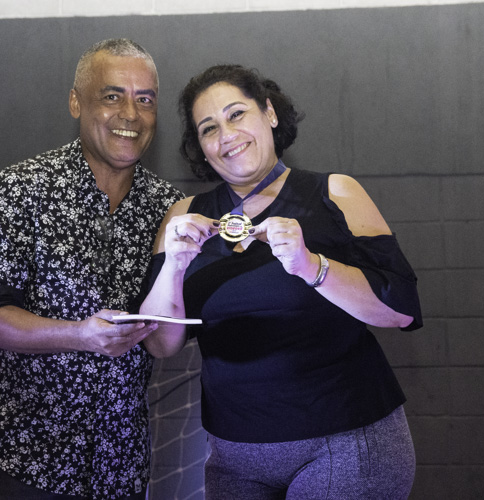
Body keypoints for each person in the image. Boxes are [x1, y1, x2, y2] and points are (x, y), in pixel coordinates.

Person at [139, 64, 423, 499]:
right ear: (200, 146)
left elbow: (401, 311)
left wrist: (311, 266)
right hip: (233, 457)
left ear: (269, 113)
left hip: (345, 443)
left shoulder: (334, 193)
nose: (226, 135)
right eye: (209, 128)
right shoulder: (184, 217)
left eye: (237, 114)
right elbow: (160, 345)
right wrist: (174, 267)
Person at [0, 38, 183, 500]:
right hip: (24, 458)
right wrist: (81, 334)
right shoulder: (22, 189)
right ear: (76, 102)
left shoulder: (170, 208)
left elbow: (164, 341)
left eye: (145, 100)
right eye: (112, 95)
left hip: (119, 463)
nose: (131, 114)